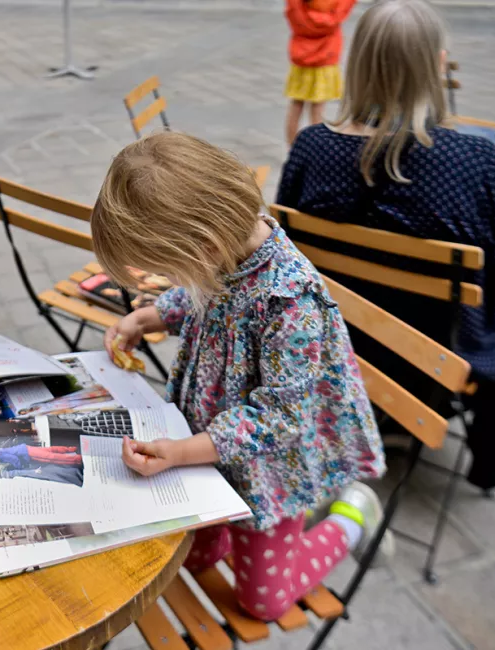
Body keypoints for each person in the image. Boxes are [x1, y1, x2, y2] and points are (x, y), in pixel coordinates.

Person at [92, 131, 388, 622]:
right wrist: (153, 315)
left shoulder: (290, 302)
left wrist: (182, 452)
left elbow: (278, 419)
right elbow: (204, 292)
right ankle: (227, 524)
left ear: (205, 247)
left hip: (272, 468)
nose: (172, 280)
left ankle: (353, 517)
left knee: (262, 603)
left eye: (169, 271)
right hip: (212, 446)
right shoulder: (227, 251)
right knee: (196, 555)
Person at [276, 0, 495, 491]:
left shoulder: (311, 146)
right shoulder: (472, 159)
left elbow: (287, 258)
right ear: (437, 65)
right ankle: (486, 464)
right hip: (438, 355)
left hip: (337, 342)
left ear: (358, 63)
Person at [284, 0, 357, 145]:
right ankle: (314, 151)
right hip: (325, 54)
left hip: (301, 54)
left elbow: (292, 11)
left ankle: (292, 149)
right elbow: (341, 10)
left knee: (296, 104)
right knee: (318, 108)